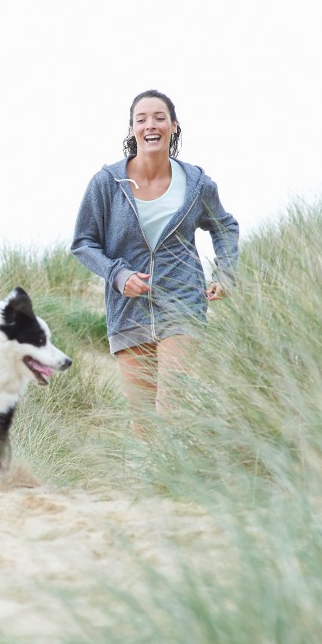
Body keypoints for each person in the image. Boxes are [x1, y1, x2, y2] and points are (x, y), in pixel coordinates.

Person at [71, 89, 239, 435]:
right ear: (132, 129)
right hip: (127, 309)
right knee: (144, 422)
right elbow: (83, 243)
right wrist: (118, 275)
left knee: (171, 407)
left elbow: (224, 226)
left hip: (182, 301)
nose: (151, 125)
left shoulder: (196, 184)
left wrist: (225, 272)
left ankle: (175, 485)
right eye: (141, 119)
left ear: (174, 127)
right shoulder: (107, 183)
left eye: (159, 118)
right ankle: (148, 486)